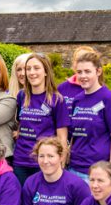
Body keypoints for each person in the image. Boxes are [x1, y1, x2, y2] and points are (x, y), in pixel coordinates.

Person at [66, 51, 111, 181]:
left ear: (98, 71)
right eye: (79, 72)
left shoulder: (109, 98)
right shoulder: (77, 99)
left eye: (87, 71)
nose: (83, 76)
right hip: (74, 168)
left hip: (96, 172)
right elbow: (74, 135)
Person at [13, 53, 69, 184]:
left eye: (36, 68)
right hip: (21, 161)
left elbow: (62, 137)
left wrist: (61, 163)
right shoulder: (22, 96)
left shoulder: (56, 99)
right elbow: (23, 123)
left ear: (45, 71)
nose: (31, 72)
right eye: (28, 69)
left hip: (44, 163)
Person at [57, 45, 100, 111]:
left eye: (86, 60)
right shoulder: (62, 88)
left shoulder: (101, 90)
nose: (81, 63)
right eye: (78, 60)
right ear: (73, 63)